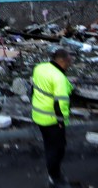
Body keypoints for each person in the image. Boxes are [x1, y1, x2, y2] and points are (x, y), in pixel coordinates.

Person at [31, 49, 74, 187]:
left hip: (38, 115)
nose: (70, 63)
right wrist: (62, 121)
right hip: (52, 120)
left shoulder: (40, 68)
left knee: (49, 145)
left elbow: (33, 88)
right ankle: (55, 178)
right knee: (57, 149)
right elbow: (61, 102)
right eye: (69, 60)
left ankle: (53, 173)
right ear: (61, 61)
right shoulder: (59, 78)